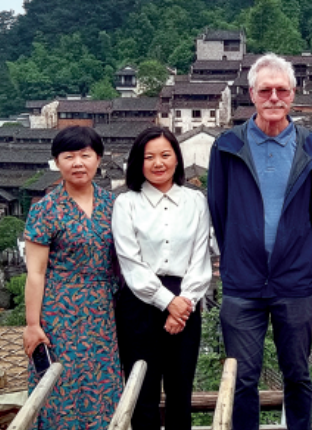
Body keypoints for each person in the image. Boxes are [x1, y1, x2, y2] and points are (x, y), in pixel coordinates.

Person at [207, 53, 312, 430]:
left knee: (298, 374)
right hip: (243, 281)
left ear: (293, 93)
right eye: (265, 90)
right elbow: (219, 211)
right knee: (242, 377)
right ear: (251, 94)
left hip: (293, 280)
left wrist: (292, 251)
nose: (274, 97)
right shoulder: (227, 146)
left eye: (281, 90)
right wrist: (239, 254)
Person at [22, 126, 122, 430]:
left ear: (98, 159)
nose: (78, 163)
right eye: (69, 156)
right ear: (57, 162)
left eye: (85, 155)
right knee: (59, 385)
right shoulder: (45, 210)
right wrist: (32, 325)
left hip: (104, 312)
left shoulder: (114, 205)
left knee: (103, 384)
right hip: (59, 312)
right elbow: (36, 272)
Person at [113, 127, 212, 430]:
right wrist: (168, 303)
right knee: (142, 391)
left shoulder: (196, 201)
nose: (158, 163)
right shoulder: (126, 203)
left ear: (177, 159)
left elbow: (200, 258)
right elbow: (130, 262)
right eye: (149, 157)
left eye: (165, 155)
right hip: (139, 302)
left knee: (180, 390)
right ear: (138, 163)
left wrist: (184, 303)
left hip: (185, 299)